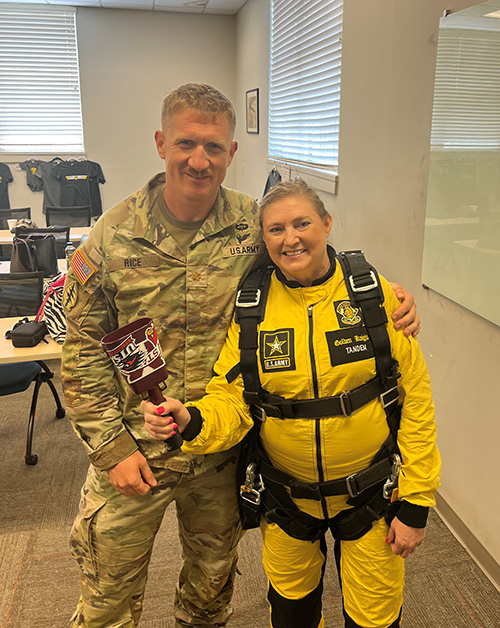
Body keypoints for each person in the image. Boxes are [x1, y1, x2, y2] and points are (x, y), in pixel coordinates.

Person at [62, 84, 420, 628]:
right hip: (136, 449)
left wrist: (390, 296)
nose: (198, 159)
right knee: (107, 594)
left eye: (213, 147)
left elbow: (309, 260)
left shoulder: (252, 225)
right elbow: (82, 352)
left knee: (211, 590)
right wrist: (110, 449)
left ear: (232, 152)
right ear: (161, 143)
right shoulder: (110, 236)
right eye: (185, 143)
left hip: (221, 450)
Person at [142, 180, 440, 628]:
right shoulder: (253, 308)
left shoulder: (374, 298)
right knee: (292, 613)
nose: (290, 238)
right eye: (276, 229)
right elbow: (233, 398)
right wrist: (192, 420)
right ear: (264, 240)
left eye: (302, 223)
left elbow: (416, 402)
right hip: (285, 498)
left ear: (326, 223)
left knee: (375, 617)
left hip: (371, 495)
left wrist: (416, 505)